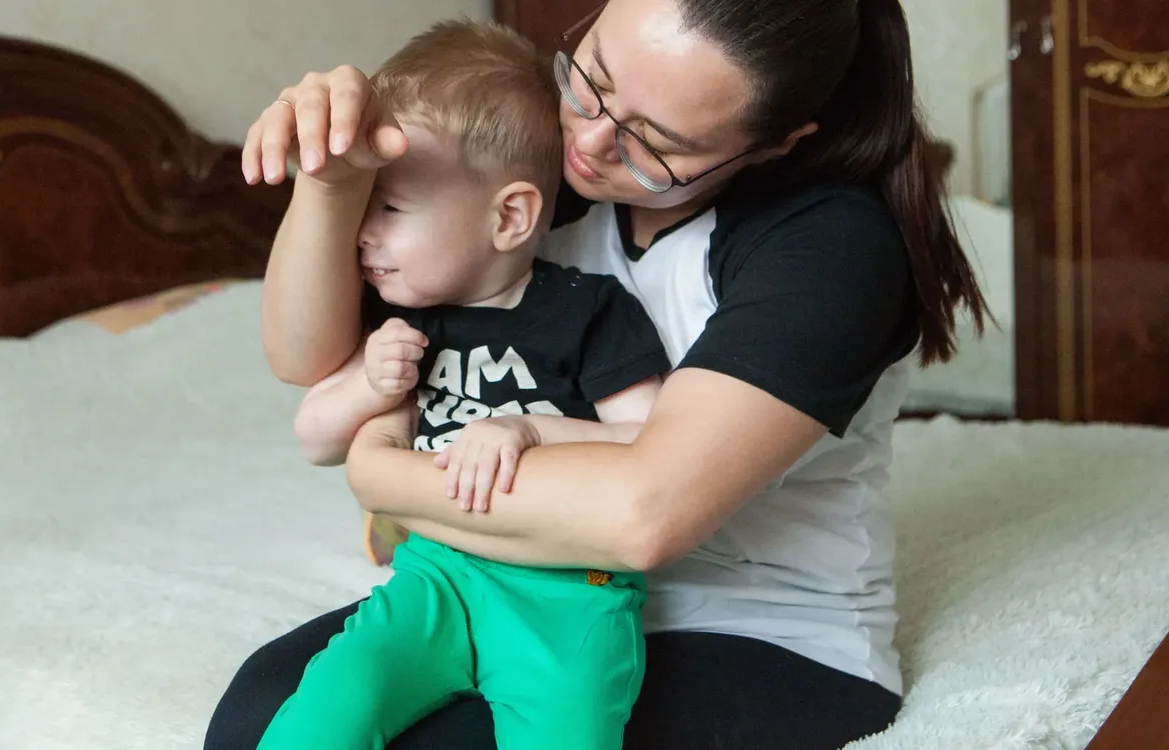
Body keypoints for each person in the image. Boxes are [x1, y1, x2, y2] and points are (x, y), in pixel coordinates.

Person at [207, 0, 989, 748]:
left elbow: (639, 518)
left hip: (757, 628)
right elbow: (306, 359)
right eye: (592, 78)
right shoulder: (547, 180)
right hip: (499, 575)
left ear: (776, 144)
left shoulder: (830, 244)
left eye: (653, 142)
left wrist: (381, 475)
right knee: (262, 716)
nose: (589, 140)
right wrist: (331, 182)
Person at [257, 19, 668, 750]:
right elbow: (314, 439)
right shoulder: (406, 314)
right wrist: (369, 383)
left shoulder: (589, 311)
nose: (363, 232)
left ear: (509, 216)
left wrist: (528, 430)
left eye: (389, 207)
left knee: (565, 731)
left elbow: (657, 444)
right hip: (435, 573)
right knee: (332, 703)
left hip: (566, 590)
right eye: (363, 204)